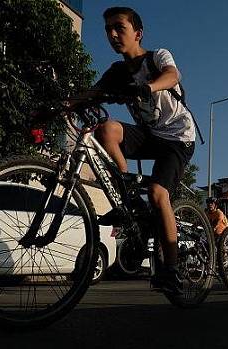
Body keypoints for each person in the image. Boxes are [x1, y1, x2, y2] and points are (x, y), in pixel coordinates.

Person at [81, 7, 197, 294]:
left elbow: (172, 75)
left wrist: (149, 87)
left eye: (119, 28)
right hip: (149, 135)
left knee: (159, 194)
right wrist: (58, 107)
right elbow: (89, 94)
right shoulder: (117, 72)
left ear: (138, 33)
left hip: (178, 137)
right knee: (106, 129)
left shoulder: (156, 56)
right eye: (108, 29)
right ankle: (127, 195)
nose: (112, 34)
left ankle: (170, 270)